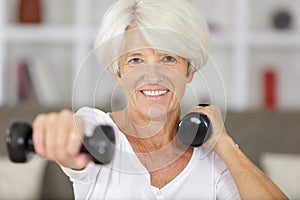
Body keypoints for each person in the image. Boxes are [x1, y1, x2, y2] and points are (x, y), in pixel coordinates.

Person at [32, 0, 288, 199]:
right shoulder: (99, 131)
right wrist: (62, 135)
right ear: (118, 73)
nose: (152, 76)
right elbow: (77, 137)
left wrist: (225, 144)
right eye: (135, 60)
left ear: (189, 71)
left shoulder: (211, 158)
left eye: (168, 58)